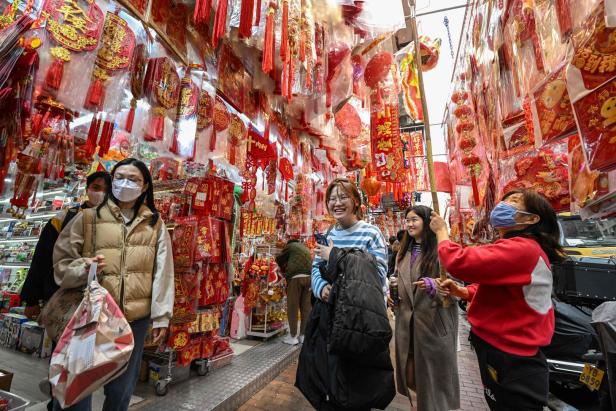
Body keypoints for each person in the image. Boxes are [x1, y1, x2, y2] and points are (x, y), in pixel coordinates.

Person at [53, 158, 174, 411]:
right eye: (119, 177)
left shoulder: (155, 224)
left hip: (134, 320)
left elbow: (163, 272)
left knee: (121, 392)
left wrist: (162, 315)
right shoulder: (87, 218)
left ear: (144, 187)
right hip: (91, 316)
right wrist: (83, 267)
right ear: (111, 182)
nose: (125, 184)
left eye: (133, 179)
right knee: (78, 388)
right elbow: (62, 263)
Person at [433, 189, 566, 411]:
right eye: (504, 201)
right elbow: (509, 290)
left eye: (513, 202)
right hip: (502, 352)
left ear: (531, 219)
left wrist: (441, 232)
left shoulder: (522, 249)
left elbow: (459, 262)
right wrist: (465, 292)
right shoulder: (520, 247)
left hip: (512, 358)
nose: (503, 205)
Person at [391, 205, 459, 411]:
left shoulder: (442, 251)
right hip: (407, 326)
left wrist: (434, 286)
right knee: (410, 376)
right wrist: (393, 292)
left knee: (433, 384)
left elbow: (457, 290)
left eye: (414, 220)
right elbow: (400, 281)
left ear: (428, 222)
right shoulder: (403, 251)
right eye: (408, 220)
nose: (410, 224)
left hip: (432, 327)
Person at [21, 171, 111, 322]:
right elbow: (42, 258)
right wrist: (32, 299)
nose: (101, 193)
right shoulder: (63, 218)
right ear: (87, 189)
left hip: (100, 300)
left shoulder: (114, 221)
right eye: (96, 187)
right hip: (62, 294)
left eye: (106, 190)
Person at [312, 178, 388, 302]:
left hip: (364, 313)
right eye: (332, 199)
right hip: (335, 314)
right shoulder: (328, 235)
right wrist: (321, 287)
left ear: (356, 201)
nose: (337, 203)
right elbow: (316, 267)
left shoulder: (371, 234)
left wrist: (334, 256)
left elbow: (378, 276)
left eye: (343, 197)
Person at [276, 239, 312, 345]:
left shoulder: (290, 246)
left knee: (293, 307)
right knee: (306, 308)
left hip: (295, 277)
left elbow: (280, 259)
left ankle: (292, 336)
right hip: (309, 278)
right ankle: (303, 336)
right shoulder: (305, 248)